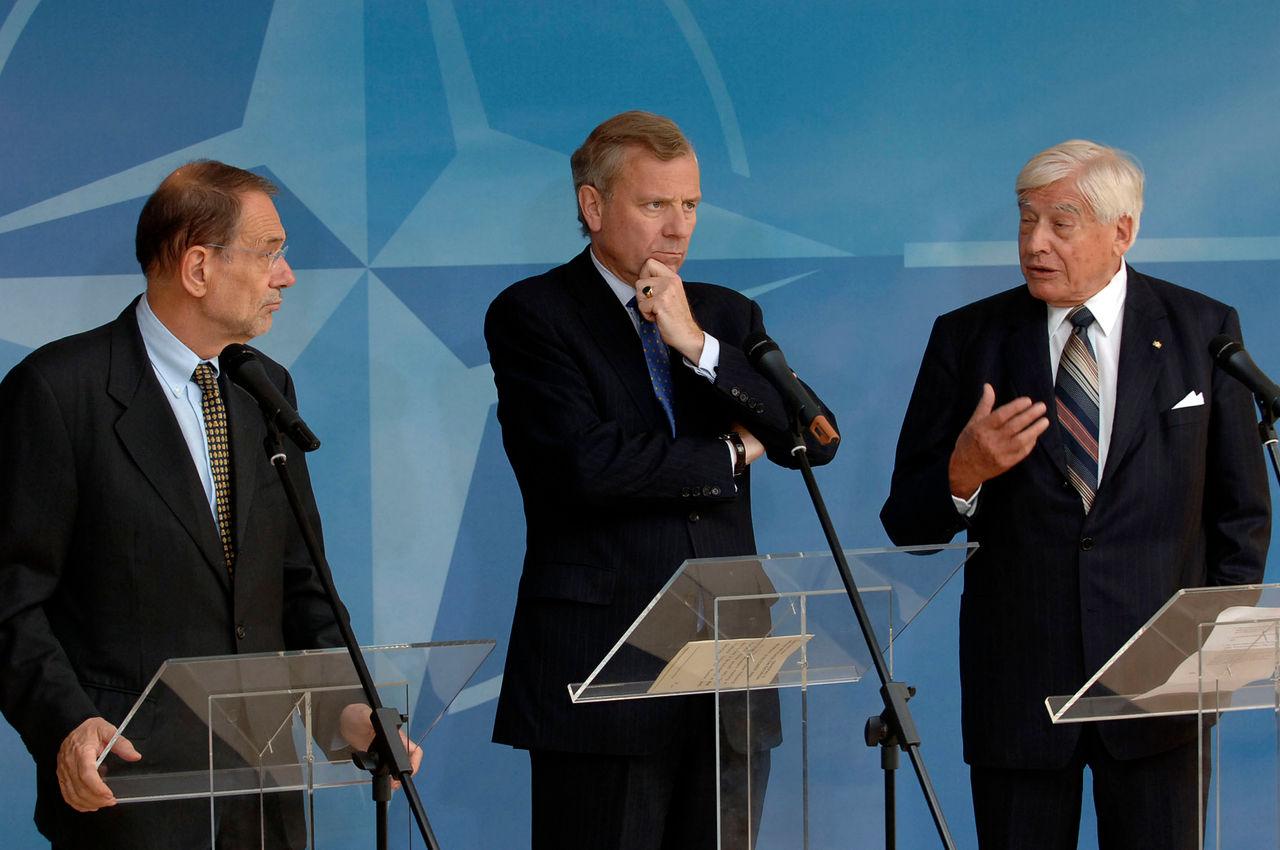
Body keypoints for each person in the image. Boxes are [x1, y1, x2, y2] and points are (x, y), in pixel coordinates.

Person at [0, 160, 415, 849]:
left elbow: (301, 584)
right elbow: (11, 596)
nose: (285, 276)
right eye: (271, 254)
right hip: (132, 793)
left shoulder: (264, 385)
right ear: (198, 268)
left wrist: (350, 707)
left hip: (266, 800)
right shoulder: (58, 391)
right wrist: (66, 725)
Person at [880, 140, 1270, 849]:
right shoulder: (969, 339)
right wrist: (963, 474)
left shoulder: (1205, 332)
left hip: (1163, 693)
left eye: (1061, 223)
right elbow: (907, 522)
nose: (1034, 242)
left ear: (1122, 231)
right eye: (1026, 220)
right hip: (1021, 696)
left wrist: (1211, 641)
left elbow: (1241, 514)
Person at [485, 110, 839, 849]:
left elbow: (811, 437)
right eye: (654, 205)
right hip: (604, 663)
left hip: (731, 670)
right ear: (592, 207)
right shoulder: (534, 315)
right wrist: (730, 457)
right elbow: (586, 465)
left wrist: (699, 345)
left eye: (690, 206)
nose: (677, 227)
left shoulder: (724, 314)